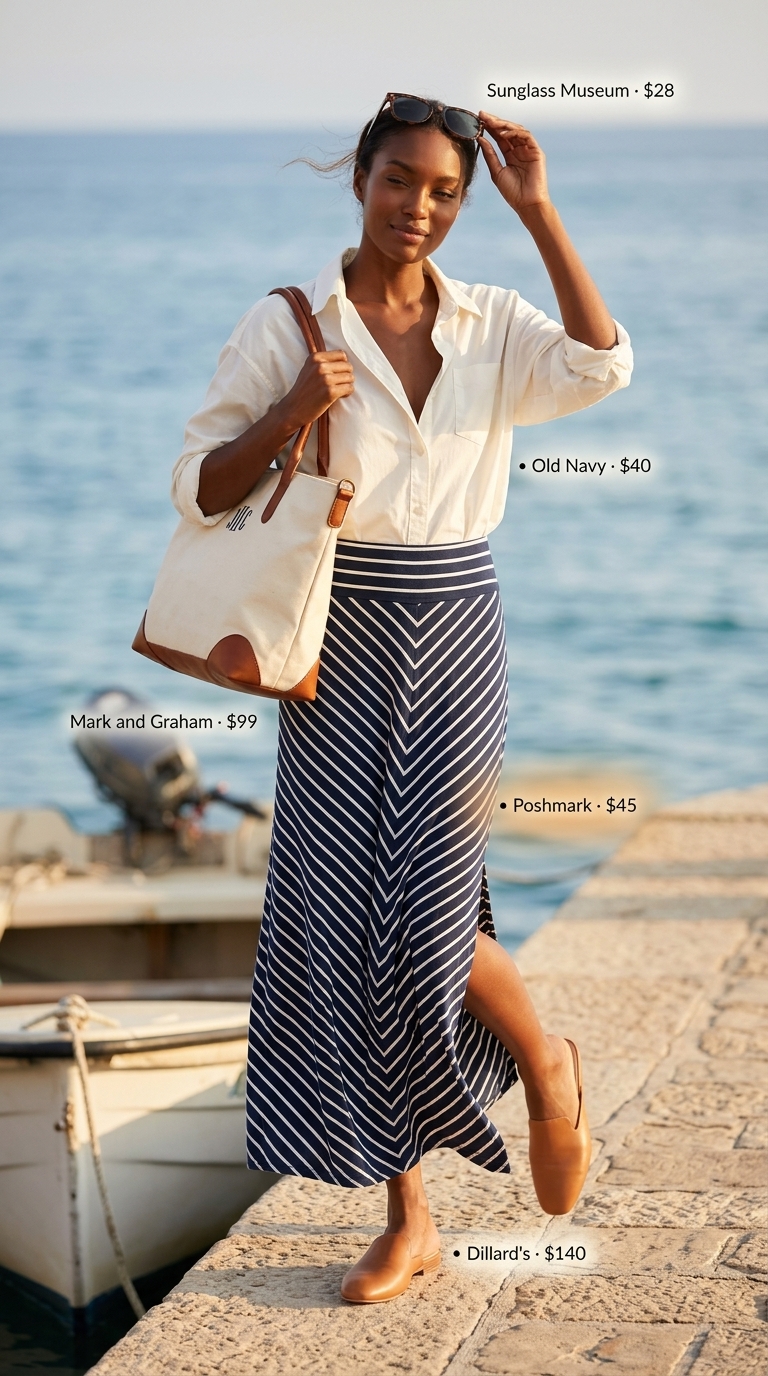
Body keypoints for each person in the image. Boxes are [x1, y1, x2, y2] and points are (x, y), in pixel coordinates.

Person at [171, 94, 633, 1305]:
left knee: (424, 909)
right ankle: (409, 1212)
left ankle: (545, 1065)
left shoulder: (491, 323)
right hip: (333, 641)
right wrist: (292, 413)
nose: (418, 207)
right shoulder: (293, 322)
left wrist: (541, 213)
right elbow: (197, 486)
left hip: (458, 623)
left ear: (462, 201)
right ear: (359, 177)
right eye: (398, 181)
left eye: (443, 191)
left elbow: (602, 363)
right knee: (350, 918)